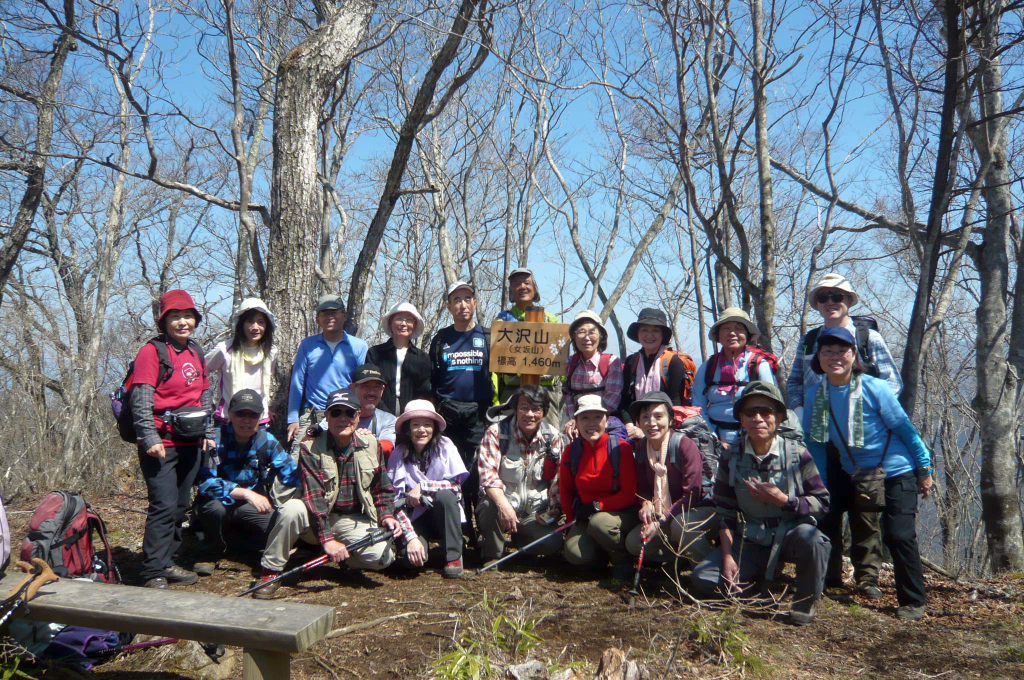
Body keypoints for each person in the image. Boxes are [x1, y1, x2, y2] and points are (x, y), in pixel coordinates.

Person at [802, 326, 933, 620]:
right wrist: (820, 482)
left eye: (842, 351)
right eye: (828, 352)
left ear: (853, 355)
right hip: (854, 472)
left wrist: (924, 469)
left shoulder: (875, 388)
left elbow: (905, 430)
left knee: (898, 535)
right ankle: (822, 582)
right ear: (818, 358)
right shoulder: (817, 394)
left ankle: (913, 600)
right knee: (828, 518)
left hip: (898, 469)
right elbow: (817, 443)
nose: (835, 357)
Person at [691, 382, 831, 625]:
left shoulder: (798, 454)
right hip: (750, 539)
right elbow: (724, 510)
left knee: (816, 541)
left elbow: (822, 502)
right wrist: (727, 556)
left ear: (778, 418)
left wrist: (785, 500)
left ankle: (805, 602)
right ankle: (758, 578)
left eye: (766, 412)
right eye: (750, 412)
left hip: (790, 534)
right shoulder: (730, 457)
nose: (758, 418)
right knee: (702, 579)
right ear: (741, 420)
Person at [252, 389, 401, 599]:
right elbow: (314, 498)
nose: (343, 418)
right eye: (336, 413)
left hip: (352, 518)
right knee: (291, 509)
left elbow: (382, 488)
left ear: (358, 416)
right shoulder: (310, 447)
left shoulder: (372, 444)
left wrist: (386, 514)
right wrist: (327, 539)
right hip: (316, 517)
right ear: (327, 417)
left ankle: (339, 559)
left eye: (349, 413)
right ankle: (270, 572)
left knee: (382, 558)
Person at [130, 289, 216, 589]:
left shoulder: (195, 351)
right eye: (175, 317)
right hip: (161, 444)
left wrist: (208, 431)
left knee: (180, 506)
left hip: (190, 441)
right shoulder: (151, 352)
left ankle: (168, 560)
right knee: (163, 506)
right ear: (164, 321)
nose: (183, 322)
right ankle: (152, 570)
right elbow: (141, 398)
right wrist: (149, 437)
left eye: (188, 316)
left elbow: (204, 393)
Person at [193, 389, 298, 575]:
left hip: (249, 507)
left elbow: (291, 475)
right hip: (219, 503)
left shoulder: (267, 441)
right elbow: (206, 484)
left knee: (277, 526)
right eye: (241, 414)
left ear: (260, 417)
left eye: (253, 415)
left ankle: (234, 543)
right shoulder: (214, 439)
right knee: (214, 511)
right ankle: (211, 551)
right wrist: (246, 493)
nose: (247, 420)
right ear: (230, 415)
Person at [786, 272, 902, 414]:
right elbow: (794, 383)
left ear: (849, 301)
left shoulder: (869, 338)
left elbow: (893, 382)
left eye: (837, 297)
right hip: (818, 425)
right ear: (817, 303)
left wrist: (871, 413)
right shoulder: (808, 341)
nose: (830, 303)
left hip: (862, 423)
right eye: (823, 298)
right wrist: (800, 412)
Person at [476, 385, 565, 565]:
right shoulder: (497, 432)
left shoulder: (553, 436)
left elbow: (558, 479)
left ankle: (521, 539)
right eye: (524, 408)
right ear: (515, 410)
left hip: (535, 510)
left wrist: (554, 509)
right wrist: (504, 506)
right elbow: (488, 477)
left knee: (553, 544)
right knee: (487, 504)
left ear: (544, 411)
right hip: (503, 505)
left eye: (535, 409)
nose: (529, 414)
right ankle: (493, 553)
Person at [624, 392, 715, 567]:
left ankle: (706, 568)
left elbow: (691, 496)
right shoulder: (642, 448)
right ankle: (678, 561)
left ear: (671, 420)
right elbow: (642, 488)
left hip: (698, 510)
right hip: (666, 515)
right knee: (633, 543)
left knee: (680, 526)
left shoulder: (684, 446)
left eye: (658, 416)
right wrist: (645, 504)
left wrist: (661, 521)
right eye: (645, 417)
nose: (652, 423)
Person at [429, 281, 493, 518]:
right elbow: (433, 377)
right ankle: (457, 521)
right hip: (449, 414)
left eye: (467, 299)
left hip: (479, 413)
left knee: (477, 469)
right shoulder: (441, 338)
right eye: (457, 300)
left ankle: (480, 519)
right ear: (449, 306)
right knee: (451, 468)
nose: (462, 305)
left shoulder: (488, 336)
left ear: (475, 303)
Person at [559, 394, 638, 578]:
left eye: (597, 417)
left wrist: (598, 506)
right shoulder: (572, 452)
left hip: (621, 515)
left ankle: (622, 559)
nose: (591, 423)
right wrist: (571, 521)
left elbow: (630, 494)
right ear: (576, 422)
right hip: (587, 517)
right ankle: (602, 556)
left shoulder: (621, 448)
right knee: (574, 553)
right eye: (585, 418)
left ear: (607, 420)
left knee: (600, 523)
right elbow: (566, 490)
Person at [387, 401, 469, 578]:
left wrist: (423, 486)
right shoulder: (398, 454)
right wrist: (411, 537)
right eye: (415, 425)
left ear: (434, 427)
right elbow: (394, 501)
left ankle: (454, 556)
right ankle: (419, 546)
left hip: (444, 513)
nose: (421, 430)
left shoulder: (446, 446)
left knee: (446, 496)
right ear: (407, 430)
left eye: (427, 424)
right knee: (408, 562)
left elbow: (456, 487)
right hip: (415, 515)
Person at [286, 294, 368, 456]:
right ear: (318, 319)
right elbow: (297, 382)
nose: (329, 317)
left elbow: (360, 386)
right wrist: (293, 419)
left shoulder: (358, 346)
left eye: (334, 312)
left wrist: (361, 418)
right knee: (297, 461)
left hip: (344, 414)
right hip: (312, 414)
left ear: (344, 316)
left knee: (344, 461)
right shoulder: (308, 345)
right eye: (324, 313)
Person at [693, 308, 776, 448]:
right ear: (718, 336)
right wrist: (714, 439)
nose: (732, 333)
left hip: (754, 439)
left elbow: (770, 407)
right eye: (726, 328)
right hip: (713, 440)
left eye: (738, 328)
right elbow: (698, 408)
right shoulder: (707, 368)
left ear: (748, 335)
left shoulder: (759, 366)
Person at [494, 268, 563, 427]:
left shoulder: (550, 320)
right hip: (512, 392)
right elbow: (495, 365)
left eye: (527, 283)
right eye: (517, 284)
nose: (522, 287)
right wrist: (496, 398)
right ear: (511, 290)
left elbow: (560, 358)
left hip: (545, 391)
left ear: (535, 288)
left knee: (549, 438)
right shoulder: (502, 321)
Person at [620, 308, 695, 439]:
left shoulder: (673, 362)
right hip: (634, 430)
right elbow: (625, 400)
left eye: (655, 330)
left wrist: (646, 432)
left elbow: (675, 405)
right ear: (638, 333)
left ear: (663, 335)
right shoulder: (632, 362)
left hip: (665, 432)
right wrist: (629, 425)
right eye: (644, 330)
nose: (649, 335)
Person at [205, 298, 278, 425]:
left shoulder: (271, 351)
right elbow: (200, 372)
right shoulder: (224, 349)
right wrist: (207, 403)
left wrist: (267, 408)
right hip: (228, 419)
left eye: (261, 322)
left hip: (259, 419)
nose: (255, 327)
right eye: (250, 321)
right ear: (241, 324)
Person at [562, 310, 626, 442]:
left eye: (592, 332)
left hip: (603, 423)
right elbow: (568, 395)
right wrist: (574, 419)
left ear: (601, 335)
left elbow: (612, 399)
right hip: (577, 423)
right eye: (581, 332)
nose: (586, 338)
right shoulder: (570, 363)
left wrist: (590, 421)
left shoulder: (610, 362)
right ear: (574, 337)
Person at [366, 302, 432, 415]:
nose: (403, 324)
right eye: (399, 319)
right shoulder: (375, 353)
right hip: (379, 413)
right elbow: (370, 386)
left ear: (415, 325)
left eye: (409, 320)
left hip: (412, 416)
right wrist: (386, 415)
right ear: (390, 323)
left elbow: (424, 393)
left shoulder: (422, 358)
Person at [351, 364, 397, 455]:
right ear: (353, 387)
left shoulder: (388, 419)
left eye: (377, 387)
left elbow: (387, 448)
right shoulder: (338, 414)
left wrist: (367, 439)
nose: (371, 392)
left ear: (382, 390)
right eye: (366, 386)